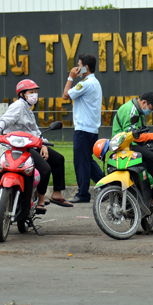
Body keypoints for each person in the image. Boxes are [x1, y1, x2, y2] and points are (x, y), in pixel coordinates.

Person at [0, 79, 71, 211]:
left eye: (35, 92)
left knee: (58, 159)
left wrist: (43, 144)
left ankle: (57, 194)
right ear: (22, 94)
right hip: (20, 147)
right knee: (45, 168)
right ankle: (41, 200)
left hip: (31, 144)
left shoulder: (28, 109)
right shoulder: (18, 106)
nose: (34, 95)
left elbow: (34, 130)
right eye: (31, 92)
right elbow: (5, 120)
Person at [112, 92, 153, 210]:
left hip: (135, 143)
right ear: (144, 102)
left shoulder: (139, 110)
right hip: (125, 145)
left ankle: (148, 175)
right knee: (152, 158)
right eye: (151, 108)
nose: (151, 111)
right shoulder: (131, 111)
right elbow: (133, 136)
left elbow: (141, 133)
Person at [62, 54, 104, 203]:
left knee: (81, 162)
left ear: (85, 67)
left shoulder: (85, 83)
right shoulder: (95, 82)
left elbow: (65, 95)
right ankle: (108, 186)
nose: (76, 68)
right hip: (91, 129)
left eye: (79, 65)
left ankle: (83, 194)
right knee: (87, 161)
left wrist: (70, 77)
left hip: (83, 130)